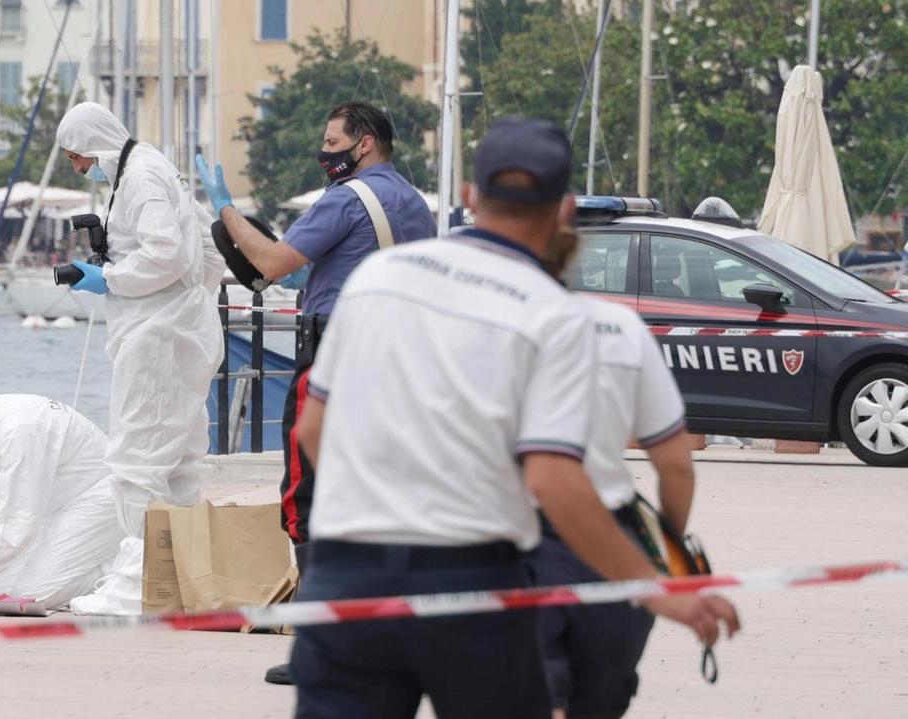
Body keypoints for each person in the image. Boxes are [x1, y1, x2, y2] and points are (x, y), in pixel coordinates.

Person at [288, 118, 739, 718]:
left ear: (470, 197)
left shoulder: (377, 279)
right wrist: (659, 589)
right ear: (565, 210)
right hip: (470, 580)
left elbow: (312, 432)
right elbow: (552, 480)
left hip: (345, 573)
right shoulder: (556, 317)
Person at [196, 101, 436, 685]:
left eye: (334, 142)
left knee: (308, 488)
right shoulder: (414, 204)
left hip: (336, 353)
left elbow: (271, 263)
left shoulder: (346, 198)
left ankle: (322, 647)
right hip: (398, 358)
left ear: (366, 143)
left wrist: (225, 207)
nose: (326, 152)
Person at [55, 102, 224, 616]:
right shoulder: (147, 169)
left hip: (158, 337)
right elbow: (209, 250)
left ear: (92, 146)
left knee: (134, 459)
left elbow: (168, 255)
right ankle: (184, 581)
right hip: (176, 331)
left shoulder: (142, 178)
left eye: (78, 159)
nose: (81, 169)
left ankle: (139, 585)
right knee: (176, 461)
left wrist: (110, 277)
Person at [530, 226, 696, 719]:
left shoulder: (485, 328)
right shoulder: (619, 327)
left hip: (517, 542)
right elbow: (676, 466)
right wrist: (668, 551)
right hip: (617, 545)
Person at [0, 385, 124, 610]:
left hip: (99, 498)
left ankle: (118, 573)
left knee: (31, 595)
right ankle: (84, 562)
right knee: (0, 588)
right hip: (54, 506)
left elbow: (19, 520)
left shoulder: (20, 430)